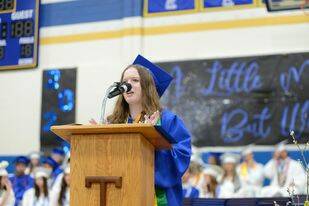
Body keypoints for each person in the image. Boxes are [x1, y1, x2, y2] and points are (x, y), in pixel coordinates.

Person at [105, 55, 191, 206]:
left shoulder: (168, 121)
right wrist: (96, 139)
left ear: (148, 87)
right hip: (122, 197)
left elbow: (181, 157)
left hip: (158, 198)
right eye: (125, 81)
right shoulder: (115, 123)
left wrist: (154, 138)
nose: (128, 85)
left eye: (135, 80)